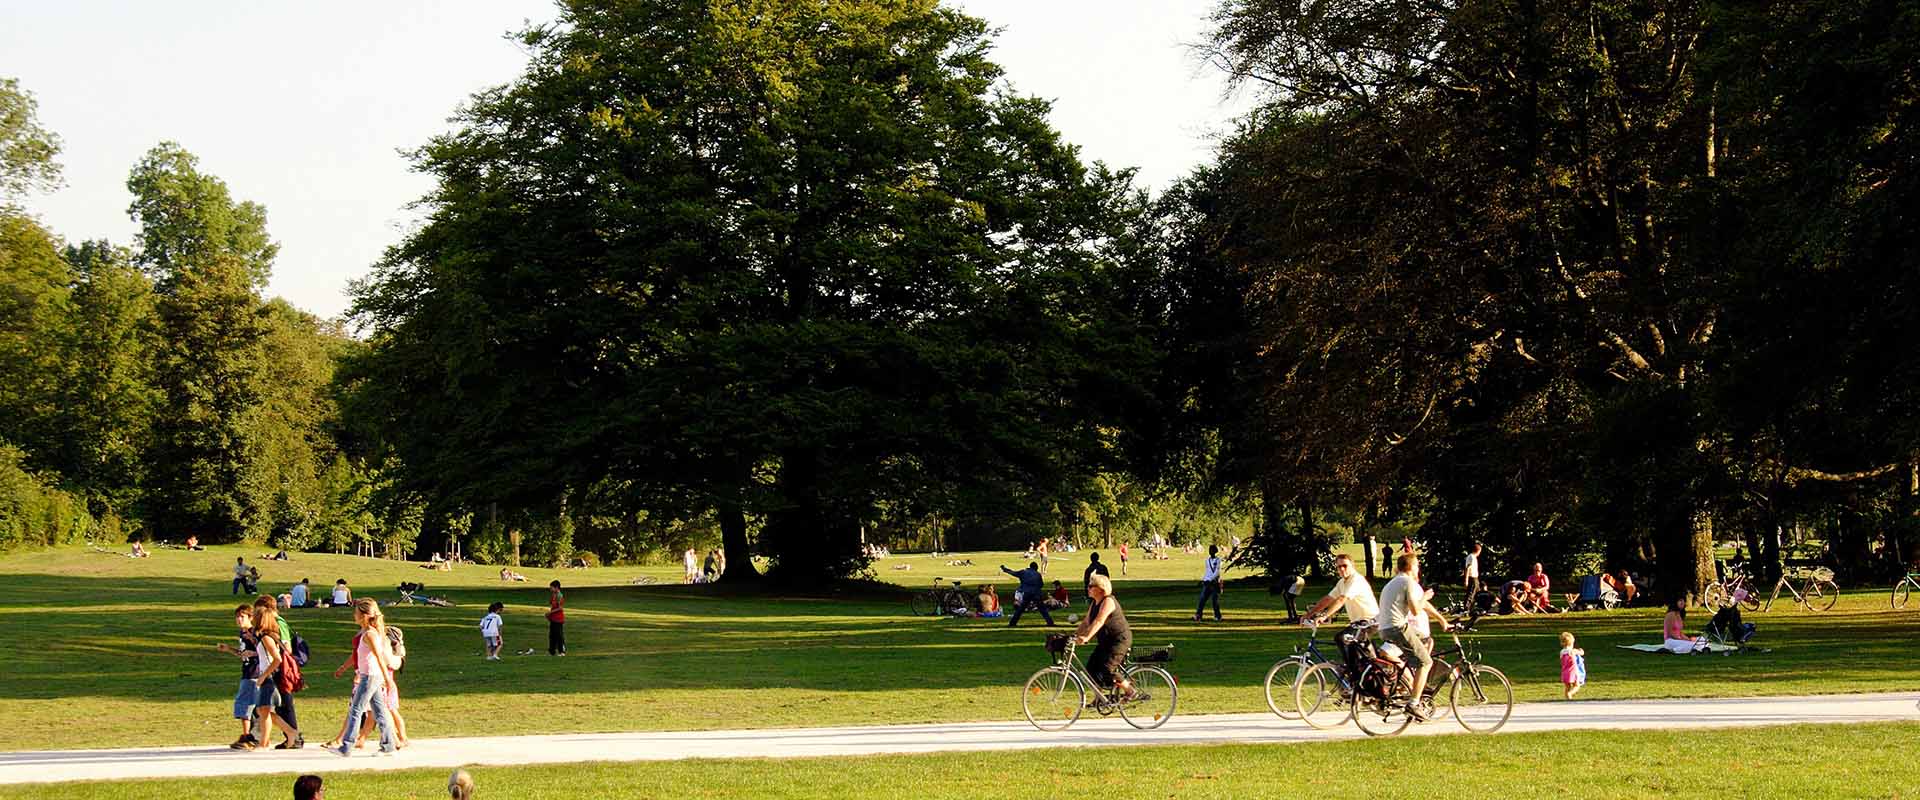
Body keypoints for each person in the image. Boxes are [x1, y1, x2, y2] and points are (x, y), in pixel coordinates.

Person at [1376, 552, 1449, 720]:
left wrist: (1441, 620)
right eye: (1417, 566)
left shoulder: (1394, 582)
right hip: (1398, 627)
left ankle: (1408, 681)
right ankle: (1414, 703)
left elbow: (1419, 606)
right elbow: (1416, 610)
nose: (1418, 569)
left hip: (1386, 628)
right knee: (1426, 662)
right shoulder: (1408, 582)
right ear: (1411, 567)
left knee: (1425, 638)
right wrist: (1426, 596)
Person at [332, 599, 400, 756]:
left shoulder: (370, 634)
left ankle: (346, 747)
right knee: (380, 711)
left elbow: (379, 657)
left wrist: (387, 679)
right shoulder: (367, 633)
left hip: (370, 677)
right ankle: (388, 746)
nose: (354, 616)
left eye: (356, 613)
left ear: (364, 615)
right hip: (369, 675)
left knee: (356, 710)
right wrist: (343, 668)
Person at [248, 600, 302, 750]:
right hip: (268, 676)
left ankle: (265, 742)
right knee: (262, 710)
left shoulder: (266, 637)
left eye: (254, 617)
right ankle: (290, 732)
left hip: (269, 678)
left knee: (263, 710)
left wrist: (263, 676)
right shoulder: (266, 637)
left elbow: (277, 659)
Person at [1073, 574, 1132, 702]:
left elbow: (1099, 621)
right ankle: (1099, 698)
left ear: (1101, 588)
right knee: (1090, 669)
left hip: (1118, 640)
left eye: (1090, 586)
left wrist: (1087, 637)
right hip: (1105, 641)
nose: (1088, 589)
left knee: (1107, 668)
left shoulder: (1108, 601)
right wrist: (1074, 636)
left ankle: (1130, 691)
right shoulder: (1095, 603)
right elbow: (1086, 622)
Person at [215, 604, 261, 749]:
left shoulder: (255, 633)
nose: (239, 620)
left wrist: (253, 649)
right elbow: (243, 654)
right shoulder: (243, 634)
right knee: (251, 707)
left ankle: (248, 736)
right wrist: (229, 649)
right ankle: (253, 735)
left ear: (251, 618)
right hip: (247, 670)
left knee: (244, 704)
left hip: (255, 672)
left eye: (242, 617)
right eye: (237, 617)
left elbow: (267, 652)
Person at [1302, 554, 1379, 625]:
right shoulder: (1342, 582)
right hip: (1357, 622)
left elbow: (1341, 600)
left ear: (1352, 566)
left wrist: (1325, 616)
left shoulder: (1356, 580)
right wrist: (1308, 615)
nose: (1342, 569)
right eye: (1339, 566)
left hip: (1369, 620)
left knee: (1342, 638)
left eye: (1345, 566)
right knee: (1343, 638)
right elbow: (1328, 599)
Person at [998, 561, 1054, 627]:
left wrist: (1005, 569)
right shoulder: (1038, 574)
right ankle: (1050, 622)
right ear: (1036, 568)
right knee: (1042, 609)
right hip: (1036, 593)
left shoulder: (1023, 572)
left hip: (1027, 593)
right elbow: (1041, 585)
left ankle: (1012, 623)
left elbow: (1013, 572)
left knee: (1020, 609)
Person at [1193, 544, 1226, 621]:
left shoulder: (1218, 560)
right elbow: (1207, 571)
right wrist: (1204, 579)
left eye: (1212, 550)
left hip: (1214, 583)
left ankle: (1218, 616)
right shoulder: (1207, 560)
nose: (1210, 551)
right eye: (1209, 550)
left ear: (1215, 551)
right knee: (1202, 600)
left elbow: (1217, 572)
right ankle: (1198, 615)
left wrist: (1211, 579)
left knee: (1215, 601)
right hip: (1207, 582)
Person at [1560, 631, 1587, 699]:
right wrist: (1580, 650)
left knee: (1567, 686)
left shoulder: (1562, 652)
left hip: (1564, 671)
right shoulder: (1573, 651)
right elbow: (1582, 653)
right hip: (1573, 671)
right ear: (1571, 643)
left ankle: (1568, 698)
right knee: (1577, 685)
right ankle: (1570, 693)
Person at [547, 580, 567, 656]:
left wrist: (550, 613)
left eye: (551, 587)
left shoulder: (560, 596)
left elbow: (560, 608)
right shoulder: (553, 595)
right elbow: (552, 605)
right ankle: (552, 651)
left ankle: (561, 651)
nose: (550, 589)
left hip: (559, 619)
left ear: (556, 587)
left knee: (559, 635)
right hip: (553, 618)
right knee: (552, 635)